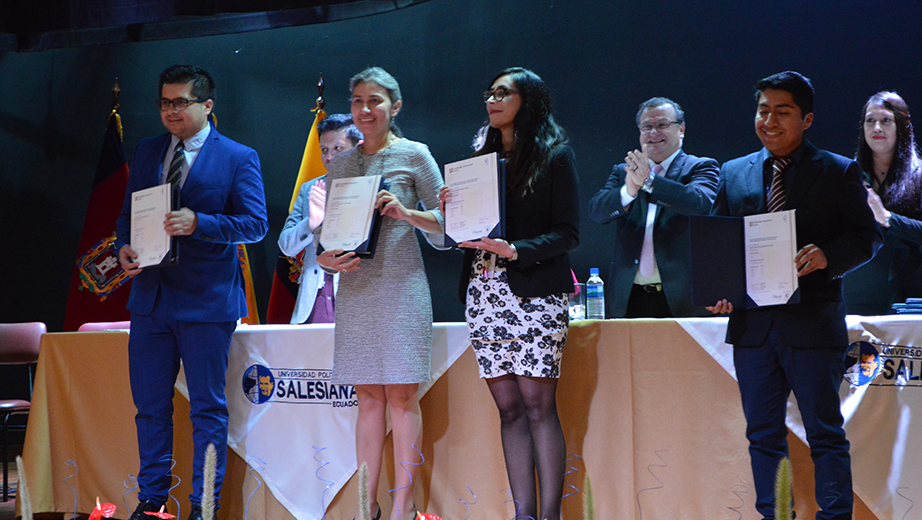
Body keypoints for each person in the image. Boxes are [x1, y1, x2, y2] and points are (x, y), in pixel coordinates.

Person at [708, 71, 882, 520]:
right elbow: (718, 242)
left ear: (806, 119)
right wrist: (720, 291)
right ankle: (774, 515)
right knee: (762, 435)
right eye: (762, 110)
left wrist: (827, 255)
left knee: (824, 433)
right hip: (752, 328)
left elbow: (867, 238)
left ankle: (835, 515)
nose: (769, 120)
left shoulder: (839, 170)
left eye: (781, 112)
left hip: (812, 322)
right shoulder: (734, 172)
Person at [115, 65, 268, 520]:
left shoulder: (239, 157)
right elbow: (128, 213)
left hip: (206, 300)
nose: (170, 111)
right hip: (150, 300)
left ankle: (204, 505)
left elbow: (255, 224)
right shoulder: (146, 151)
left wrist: (201, 223)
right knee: (150, 407)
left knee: (207, 410)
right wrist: (125, 245)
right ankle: (152, 499)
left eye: (180, 102)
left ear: (207, 105)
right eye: (164, 102)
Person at [440, 67, 579, 520]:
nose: (492, 99)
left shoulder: (555, 156)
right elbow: (464, 234)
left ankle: (551, 514)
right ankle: (523, 514)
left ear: (529, 101)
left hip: (535, 294)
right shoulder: (479, 160)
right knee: (509, 411)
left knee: (539, 407)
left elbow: (568, 233)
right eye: (490, 92)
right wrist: (450, 212)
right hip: (484, 294)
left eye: (504, 92)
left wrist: (516, 249)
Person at [314, 67, 444, 520]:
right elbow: (328, 235)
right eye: (357, 101)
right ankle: (365, 507)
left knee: (401, 399)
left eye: (375, 101)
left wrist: (408, 213)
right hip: (358, 290)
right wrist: (323, 257)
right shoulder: (343, 164)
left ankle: (402, 509)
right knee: (368, 400)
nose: (365, 110)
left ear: (395, 106)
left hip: (403, 288)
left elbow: (451, 230)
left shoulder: (415, 155)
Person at [588, 97, 718, 317]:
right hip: (628, 297)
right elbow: (596, 212)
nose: (654, 133)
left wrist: (650, 182)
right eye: (647, 127)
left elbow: (698, 203)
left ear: (681, 130)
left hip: (681, 297)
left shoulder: (700, 166)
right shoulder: (623, 171)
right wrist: (628, 191)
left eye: (662, 125)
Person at [278, 114, 362, 324]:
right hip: (313, 301)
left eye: (337, 148)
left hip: (357, 301)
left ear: (358, 148)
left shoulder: (372, 187)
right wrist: (311, 223)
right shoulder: (310, 189)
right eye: (324, 150)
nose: (329, 157)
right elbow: (286, 246)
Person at [844, 91, 922, 314]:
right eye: (870, 121)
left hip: (911, 296)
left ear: (902, 125)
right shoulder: (847, 176)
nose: (877, 128)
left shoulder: (919, 175)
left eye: (886, 120)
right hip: (859, 294)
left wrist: (887, 218)